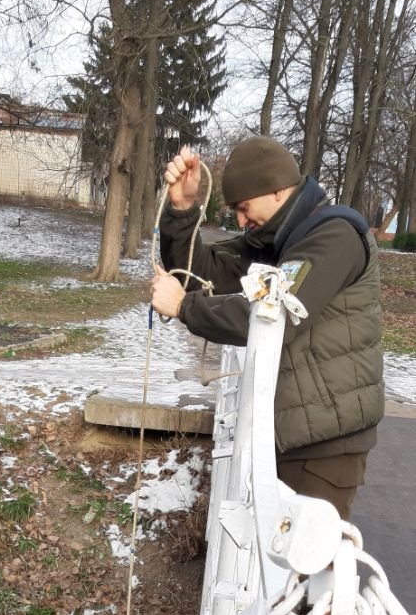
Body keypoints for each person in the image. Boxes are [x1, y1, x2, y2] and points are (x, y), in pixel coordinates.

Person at [151, 137, 384, 520]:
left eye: (244, 208)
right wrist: (181, 208)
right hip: (294, 432)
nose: (241, 221)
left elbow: (268, 316)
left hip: (325, 444)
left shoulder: (334, 236)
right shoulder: (279, 243)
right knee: (272, 566)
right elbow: (202, 273)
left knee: (306, 570)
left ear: (276, 190)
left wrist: (182, 306)